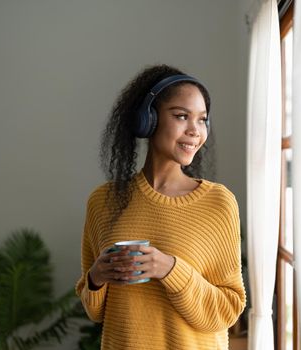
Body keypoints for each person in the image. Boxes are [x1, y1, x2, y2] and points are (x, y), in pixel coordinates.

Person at [75, 64, 246, 350]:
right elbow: (96, 312)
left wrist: (169, 269)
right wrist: (95, 278)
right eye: (181, 116)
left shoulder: (218, 203)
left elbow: (227, 309)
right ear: (148, 120)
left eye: (202, 120)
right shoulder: (102, 201)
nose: (195, 130)